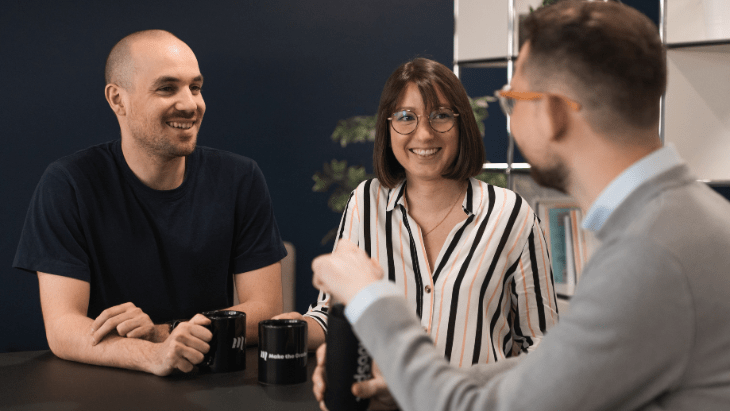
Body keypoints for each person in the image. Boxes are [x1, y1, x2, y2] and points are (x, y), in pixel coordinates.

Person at [311, 1, 730, 410]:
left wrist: (369, 297)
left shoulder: (649, 255)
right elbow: (555, 372)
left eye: (514, 99)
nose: (511, 118)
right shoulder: (678, 224)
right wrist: (404, 382)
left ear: (549, 113)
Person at [13, 30, 287, 376]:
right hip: (109, 384)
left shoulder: (241, 177)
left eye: (196, 87)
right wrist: (153, 354)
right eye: (167, 88)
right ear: (117, 100)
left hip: (215, 381)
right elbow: (63, 328)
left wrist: (164, 333)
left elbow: (265, 309)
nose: (190, 104)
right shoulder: (69, 183)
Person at [280, 58, 558, 365]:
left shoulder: (510, 214)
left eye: (440, 116)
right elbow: (335, 313)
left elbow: (541, 341)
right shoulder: (364, 201)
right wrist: (291, 329)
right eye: (405, 117)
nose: (424, 134)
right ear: (388, 126)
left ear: (461, 123)